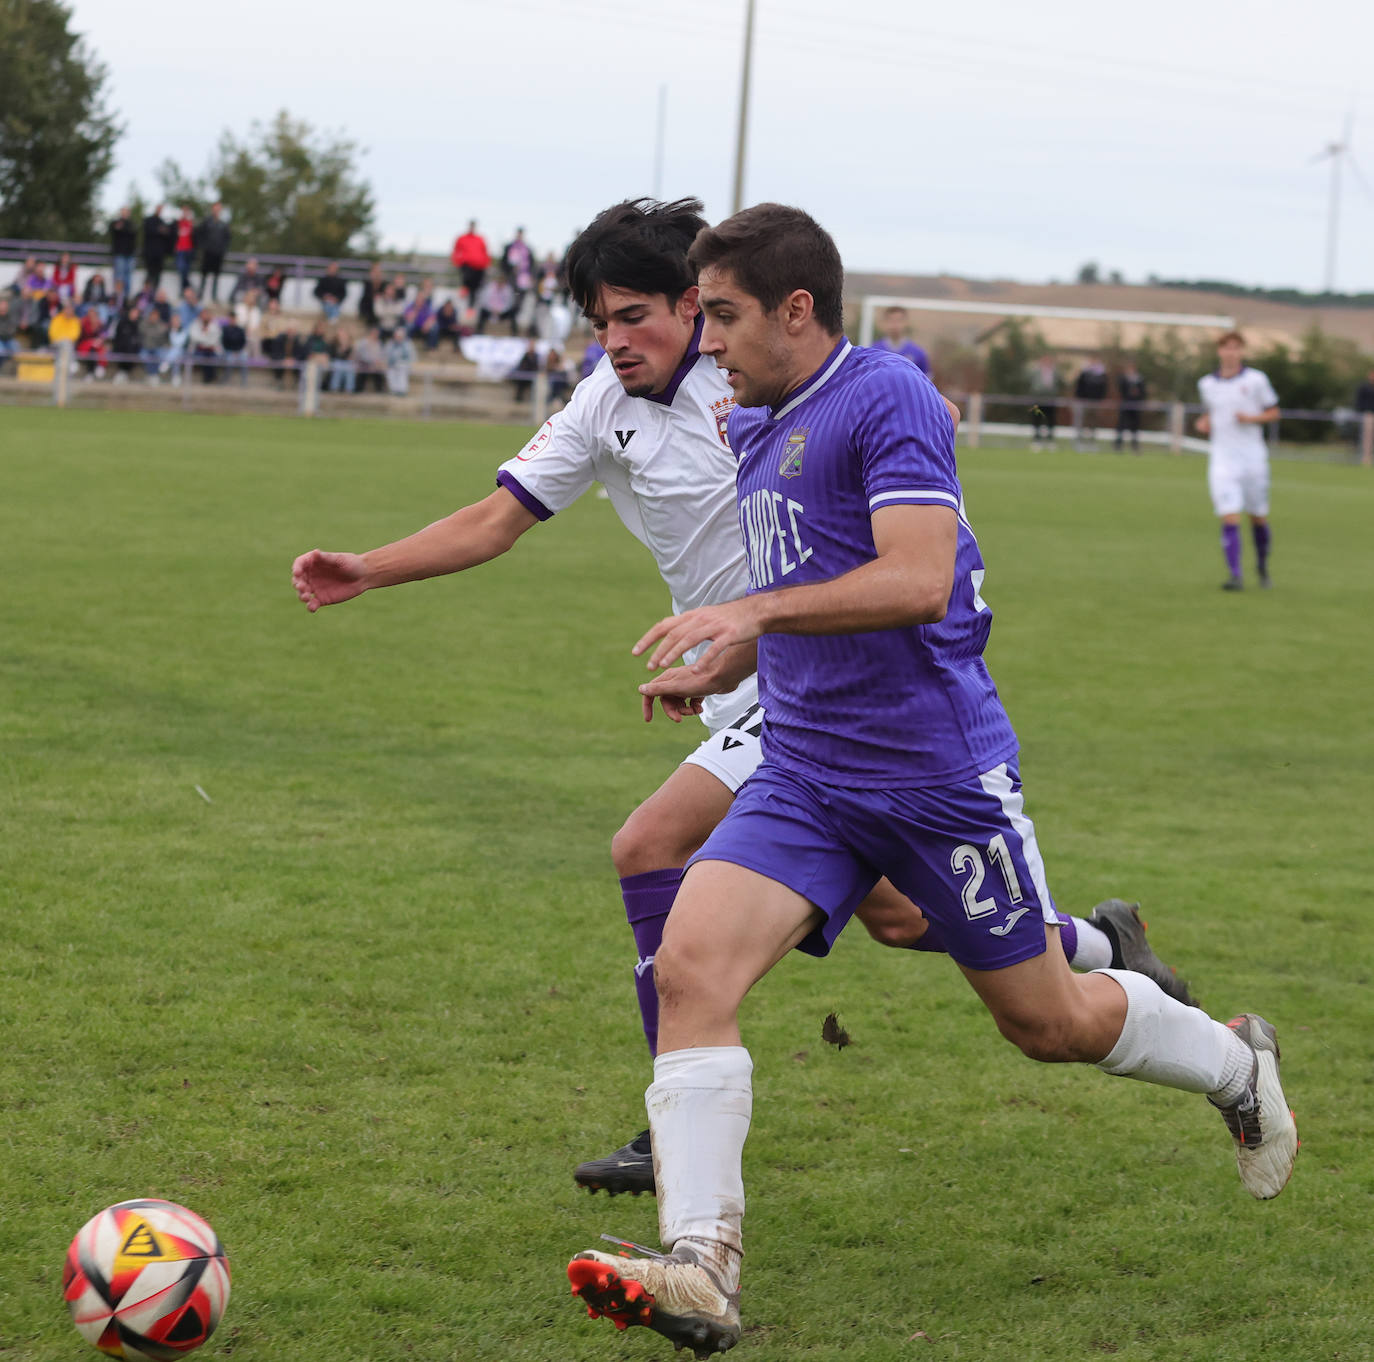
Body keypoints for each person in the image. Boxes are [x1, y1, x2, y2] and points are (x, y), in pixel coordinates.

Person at [290, 198, 1194, 1209]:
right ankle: (1103, 947)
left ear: (697, 303)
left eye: (634, 315)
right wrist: (369, 568)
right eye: (598, 323)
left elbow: (908, 479)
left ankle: (666, 1130)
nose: (615, 341)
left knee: (648, 843)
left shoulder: (773, 382)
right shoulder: (604, 404)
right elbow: (497, 520)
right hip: (736, 677)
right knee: (900, 919)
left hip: (823, 682)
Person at [564, 204, 1297, 1355]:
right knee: (695, 966)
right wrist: (734, 652)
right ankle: (702, 1264)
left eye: (723, 315)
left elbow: (915, 578)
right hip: (804, 771)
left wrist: (749, 609)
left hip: (933, 780)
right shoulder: (755, 424)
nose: (705, 342)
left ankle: (1230, 1058)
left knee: (1046, 1023)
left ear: (796, 311)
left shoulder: (888, 396)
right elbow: (808, 590)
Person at [1195, 332, 1280, 591]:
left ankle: (1262, 567)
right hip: (1222, 458)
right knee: (1229, 516)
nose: (1231, 353)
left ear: (1242, 352)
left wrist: (1252, 419)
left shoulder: (1256, 380)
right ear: (1219, 351)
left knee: (1258, 517)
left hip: (1253, 457)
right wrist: (1205, 422)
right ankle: (1235, 575)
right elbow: (1212, 411)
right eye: (1226, 348)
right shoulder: (1207, 384)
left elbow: (1274, 412)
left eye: (1236, 348)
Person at [871, 304, 929, 374]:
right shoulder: (874, 350)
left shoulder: (918, 352)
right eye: (891, 320)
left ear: (906, 323)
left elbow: (926, 378)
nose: (895, 325)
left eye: (899, 320)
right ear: (884, 322)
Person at [451, 220, 490, 311]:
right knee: (467, 278)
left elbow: (485, 252)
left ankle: (470, 308)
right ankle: (464, 289)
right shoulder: (462, 238)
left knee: (475, 288)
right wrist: (457, 261)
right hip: (467, 265)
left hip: (479, 266)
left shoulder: (480, 239)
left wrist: (486, 263)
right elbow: (456, 251)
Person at [1073, 355, 1108, 449]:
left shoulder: (1102, 374)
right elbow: (1079, 386)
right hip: (1083, 401)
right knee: (1081, 422)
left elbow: (1104, 388)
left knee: (1093, 423)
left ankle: (1092, 442)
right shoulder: (1084, 373)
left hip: (1095, 402)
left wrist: (1101, 399)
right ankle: (1078, 442)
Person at [198, 203, 231, 301]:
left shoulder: (223, 224)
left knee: (216, 275)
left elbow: (227, 238)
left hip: (218, 253)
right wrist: (203, 247)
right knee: (204, 274)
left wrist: (223, 249)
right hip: (208, 253)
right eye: (215, 208)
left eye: (219, 209)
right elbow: (199, 234)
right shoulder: (206, 222)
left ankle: (214, 296)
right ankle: (200, 294)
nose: (217, 210)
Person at [1028, 354, 1058, 450]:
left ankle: (1050, 441)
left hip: (1050, 400)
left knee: (1051, 421)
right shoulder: (1036, 371)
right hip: (1038, 400)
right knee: (1037, 420)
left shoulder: (1054, 372)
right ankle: (1036, 440)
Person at [1115, 362, 1147, 453]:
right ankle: (1118, 444)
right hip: (1125, 405)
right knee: (1121, 425)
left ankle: (1134, 445)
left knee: (1135, 426)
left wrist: (1138, 395)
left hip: (1135, 406)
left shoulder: (1140, 379)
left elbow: (1143, 392)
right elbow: (1121, 389)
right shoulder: (1124, 379)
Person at [142, 206, 173, 292]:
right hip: (150, 253)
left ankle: (154, 291)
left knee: (158, 274)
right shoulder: (149, 220)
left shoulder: (163, 222)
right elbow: (148, 231)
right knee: (149, 273)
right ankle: (146, 292)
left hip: (159, 254)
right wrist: (159, 231)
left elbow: (168, 234)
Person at [109, 207, 138, 298]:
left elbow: (133, 233)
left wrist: (123, 229)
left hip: (130, 253)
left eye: (127, 212)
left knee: (128, 275)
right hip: (119, 253)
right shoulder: (116, 223)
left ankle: (126, 296)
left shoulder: (131, 224)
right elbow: (113, 230)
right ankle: (118, 295)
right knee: (119, 275)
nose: (125, 214)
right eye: (123, 212)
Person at [385, 325, 415, 395]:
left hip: (404, 364)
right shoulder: (390, 343)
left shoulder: (408, 344)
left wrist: (400, 361)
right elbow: (387, 355)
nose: (398, 337)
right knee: (390, 371)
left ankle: (402, 390)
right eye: (397, 336)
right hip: (392, 364)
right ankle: (394, 390)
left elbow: (411, 357)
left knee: (401, 369)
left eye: (400, 336)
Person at [173, 206, 196, 294]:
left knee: (186, 271)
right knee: (182, 270)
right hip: (180, 250)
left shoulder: (191, 223)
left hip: (189, 250)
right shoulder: (178, 223)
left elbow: (194, 237)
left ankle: (185, 291)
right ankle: (187, 288)